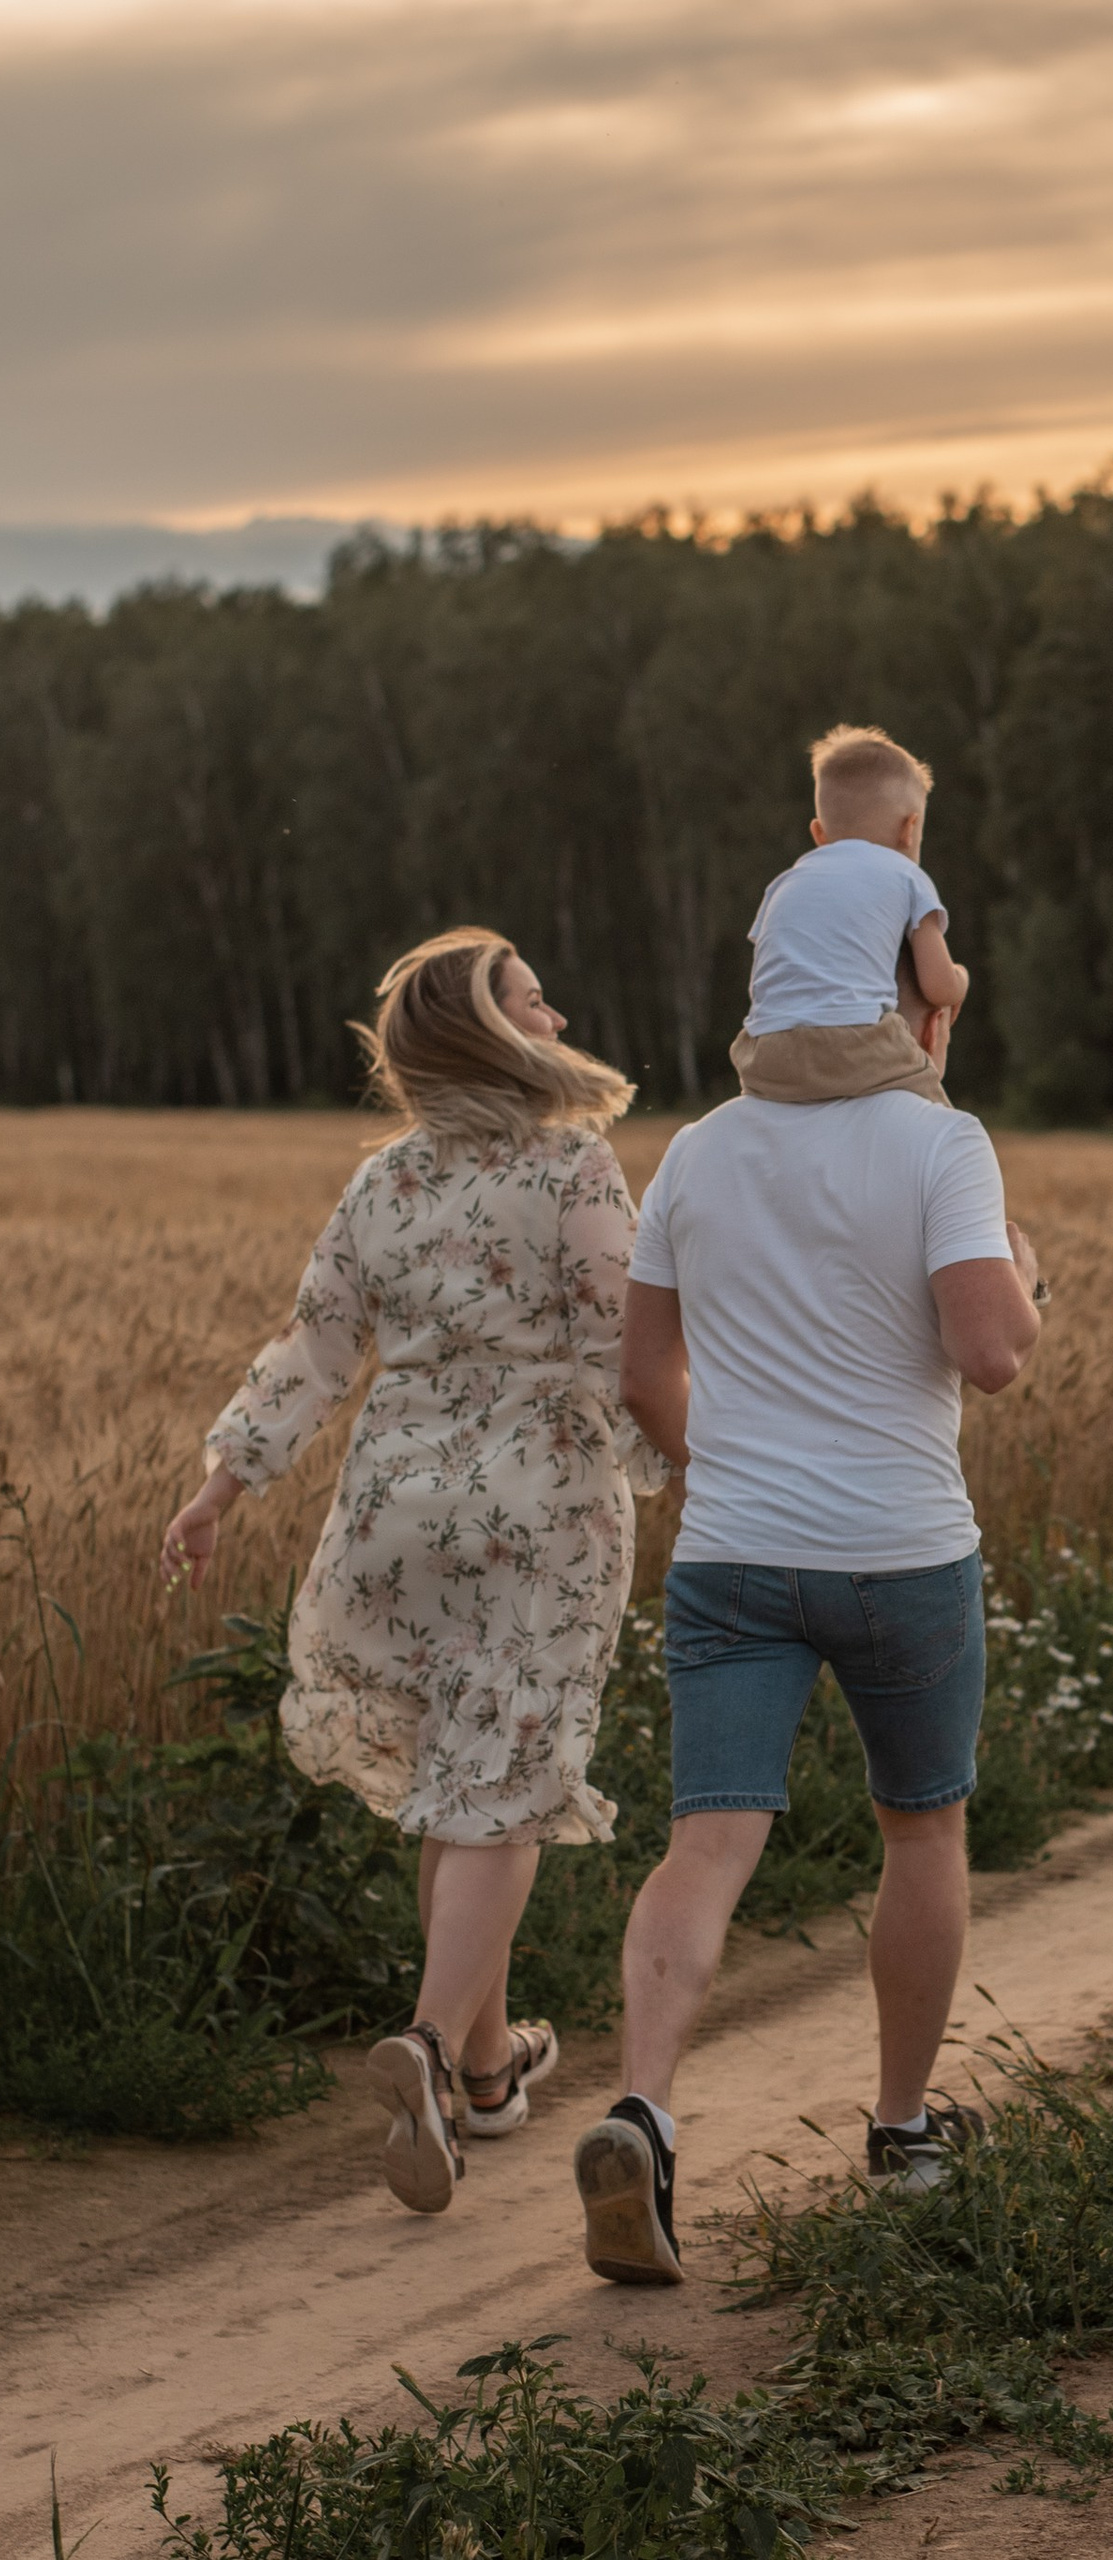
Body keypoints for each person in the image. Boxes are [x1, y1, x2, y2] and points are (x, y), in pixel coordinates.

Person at [158, 928, 665, 2214]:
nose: (556, 1015)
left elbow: (314, 1349)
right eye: (532, 1000)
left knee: (459, 1771)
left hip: (397, 1498)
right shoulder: (573, 1165)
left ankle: (492, 2068)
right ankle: (432, 2049)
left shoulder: (381, 1181)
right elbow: (630, 1341)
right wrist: (693, 1467)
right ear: (488, 1032)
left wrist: (224, 1483)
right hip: (538, 1498)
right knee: (509, 1774)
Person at [570, 961, 1040, 2285]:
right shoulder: (943, 1144)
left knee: (709, 1841)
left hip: (732, 1553)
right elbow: (994, 1351)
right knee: (923, 1823)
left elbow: (645, 1367)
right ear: (909, 1009)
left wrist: (713, 1470)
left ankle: (644, 2112)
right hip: (901, 1555)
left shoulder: (701, 1151)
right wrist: (1022, 1275)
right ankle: (902, 2131)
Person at [725, 724, 971, 1108]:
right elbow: (938, 987)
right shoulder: (906, 875)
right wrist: (962, 978)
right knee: (932, 1110)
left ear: (819, 833)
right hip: (853, 1044)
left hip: (763, 1056)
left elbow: (767, 976)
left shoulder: (782, 884)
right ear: (910, 829)